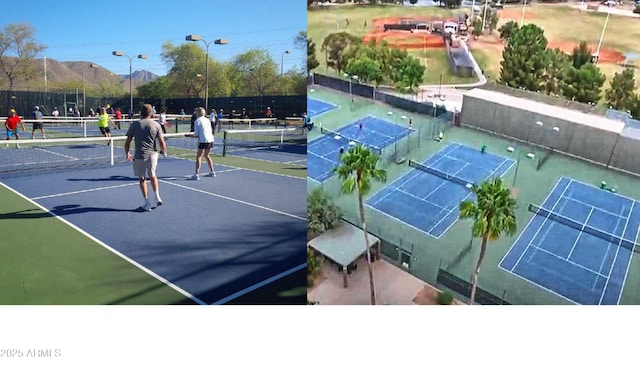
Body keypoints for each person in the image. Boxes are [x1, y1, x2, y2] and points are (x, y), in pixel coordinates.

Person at [124, 104, 166, 212]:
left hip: (139, 156)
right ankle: (157, 197)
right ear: (151, 113)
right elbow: (162, 143)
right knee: (153, 175)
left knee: (142, 179)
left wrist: (127, 153)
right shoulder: (156, 125)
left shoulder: (135, 125)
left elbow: (127, 142)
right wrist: (162, 151)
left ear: (141, 113)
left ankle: (147, 202)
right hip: (153, 155)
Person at [186, 107, 216, 180]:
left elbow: (196, 134)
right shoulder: (207, 120)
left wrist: (189, 135)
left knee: (199, 157)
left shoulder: (197, 121)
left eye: (196, 112)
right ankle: (212, 172)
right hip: (210, 140)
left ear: (198, 113)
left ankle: (196, 175)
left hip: (203, 141)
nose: (195, 113)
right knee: (207, 155)